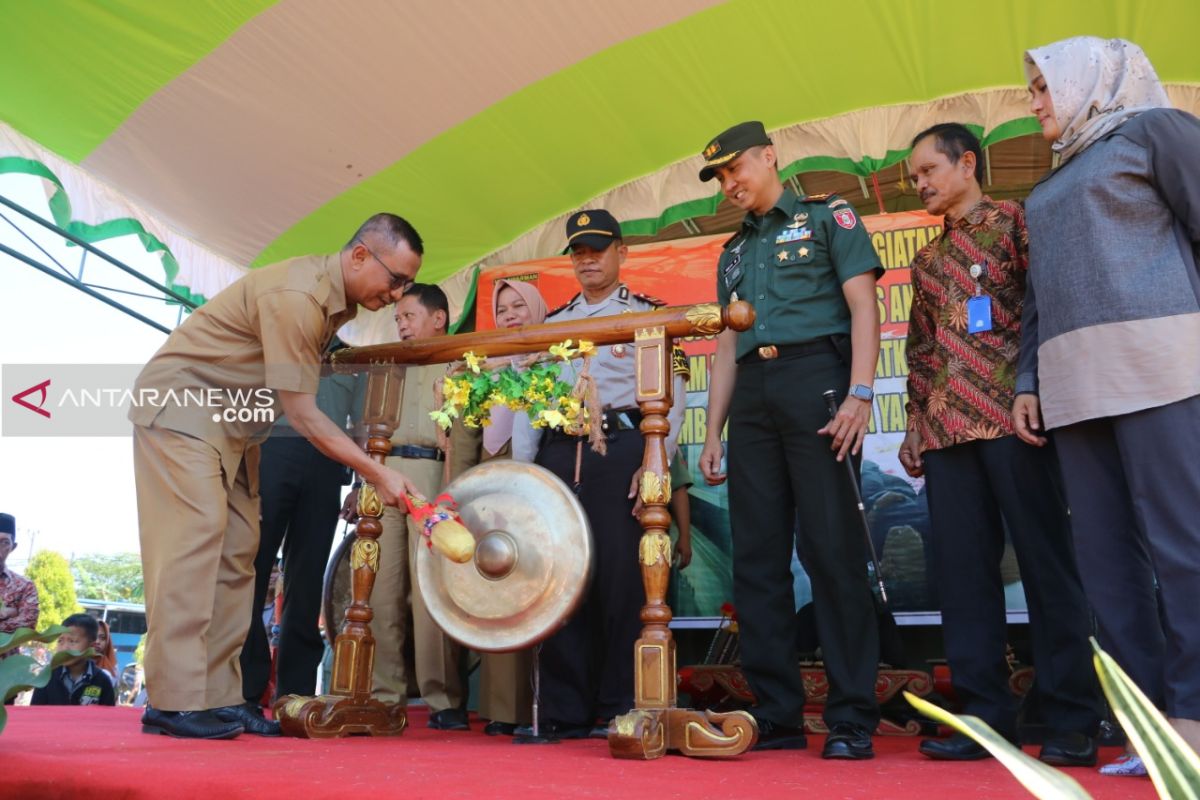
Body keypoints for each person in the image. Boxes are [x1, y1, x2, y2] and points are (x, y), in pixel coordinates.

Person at [129, 213, 425, 739]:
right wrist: (378, 474)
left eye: (406, 284)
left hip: (238, 430)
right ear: (360, 255)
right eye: (396, 278)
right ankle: (172, 701)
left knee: (239, 552)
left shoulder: (335, 305)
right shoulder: (300, 297)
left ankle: (219, 698)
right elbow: (306, 414)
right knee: (193, 546)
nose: (399, 293)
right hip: (185, 408)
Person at [1015, 36, 1200, 771]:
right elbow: (1038, 295)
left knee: (1183, 546)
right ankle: (1155, 723)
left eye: (1040, 88)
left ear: (1089, 79)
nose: (1032, 104)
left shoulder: (1156, 130)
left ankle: (1196, 713)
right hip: (1072, 382)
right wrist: (1027, 379)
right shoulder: (1054, 177)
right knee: (1104, 563)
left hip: (1162, 362)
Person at [899, 123, 1101, 766]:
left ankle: (1073, 717)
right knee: (961, 581)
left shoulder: (1017, 223)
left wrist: (1038, 386)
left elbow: (1050, 310)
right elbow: (923, 349)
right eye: (914, 178)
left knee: (1048, 569)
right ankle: (985, 719)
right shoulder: (927, 260)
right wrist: (913, 421)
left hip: (1018, 421)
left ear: (967, 164)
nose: (921, 184)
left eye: (929, 170)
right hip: (946, 432)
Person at [696, 121, 883, 759]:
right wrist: (712, 430)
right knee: (756, 559)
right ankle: (776, 711)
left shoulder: (828, 217)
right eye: (719, 178)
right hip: (752, 394)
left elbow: (864, 307)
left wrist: (861, 393)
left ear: (769, 157)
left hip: (818, 384)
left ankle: (853, 715)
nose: (728, 185)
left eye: (733, 170)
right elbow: (724, 345)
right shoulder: (731, 254)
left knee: (832, 552)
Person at [512, 209, 687, 741]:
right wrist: (524, 478)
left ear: (621, 253)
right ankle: (565, 710)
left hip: (623, 450)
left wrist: (655, 461)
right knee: (559, 580)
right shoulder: (552, 326)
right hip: (560, 451)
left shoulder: (649, 315)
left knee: (620, 579)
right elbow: (529, 405)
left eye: (598, 249)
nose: (588, 259)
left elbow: (674, 398)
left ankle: (620, 706)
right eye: (579, 251)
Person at [339, 283, 468, 730]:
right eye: (398, 319)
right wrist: (361, 485)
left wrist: (455, 492)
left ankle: (443, 699)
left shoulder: (461, 364)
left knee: (431, 589)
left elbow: (464, 440)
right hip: (382, 475)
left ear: (438, 318)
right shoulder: (387, 366)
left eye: (409, 316)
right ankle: (383, 696)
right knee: (379, 588)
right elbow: (369, 432)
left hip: (432, 476)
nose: (402, 325)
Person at [447, 277, 549, 736]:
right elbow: (467, 438)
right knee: (497, 586)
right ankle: (500, 708)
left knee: (537, 590)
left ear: (537, 310)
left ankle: (538, 706)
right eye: (502, 309)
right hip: (491, 492)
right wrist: (457, 498)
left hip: (538, 490)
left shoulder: (555, 359)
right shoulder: (482, 371)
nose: (509, 316)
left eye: (517, 306)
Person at [240, 342, 364, 708]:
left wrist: (360, 483)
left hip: (327, 463)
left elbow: (358, 427)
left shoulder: (351, 356)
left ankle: (294, 694)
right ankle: (246, 690)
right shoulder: (275, 342)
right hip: (271, 453)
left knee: (308, 579)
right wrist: (245, 480)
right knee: (254, 571)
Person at [31, 614, 116, 706]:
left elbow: (108, 717)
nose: (64, 648)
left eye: (72, 641)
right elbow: (35, 713)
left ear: (92, 645)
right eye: (60, 641)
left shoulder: (102, 681)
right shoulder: (46, 677)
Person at [0, 513, 38, 659]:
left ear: (13, 547)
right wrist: (11, 613)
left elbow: (28, 624)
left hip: (6, 673)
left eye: (4, 542)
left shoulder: (24, 586)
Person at [93, 619, 119, 687]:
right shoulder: (75, 663)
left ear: (107, 641)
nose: (97, 641)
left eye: (102, 638)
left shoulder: (112, 667)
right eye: (93, 636)